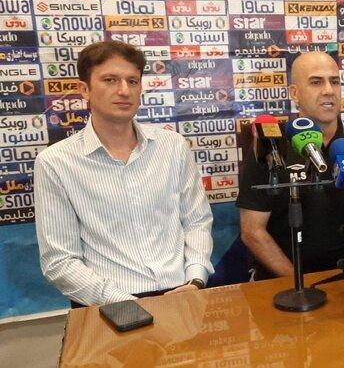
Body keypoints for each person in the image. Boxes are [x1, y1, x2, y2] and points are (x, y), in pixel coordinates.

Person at [35, 41, 214, 307]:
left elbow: (197, 221)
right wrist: (126, 303)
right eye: (110, 80)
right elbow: (59, 261)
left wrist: (196, 279)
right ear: (84, 89)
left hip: (182, 294)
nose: (124, 90)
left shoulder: (173, 146)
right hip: (107, 304)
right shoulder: (56, 162)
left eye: (132, 81)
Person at [237, 52, 344, 280]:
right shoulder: (271, 144)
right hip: (283, 279)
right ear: (294, 93)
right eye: (316, 82)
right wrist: (300, 282)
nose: (328, 90)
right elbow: (252, 231)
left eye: (334, 82)